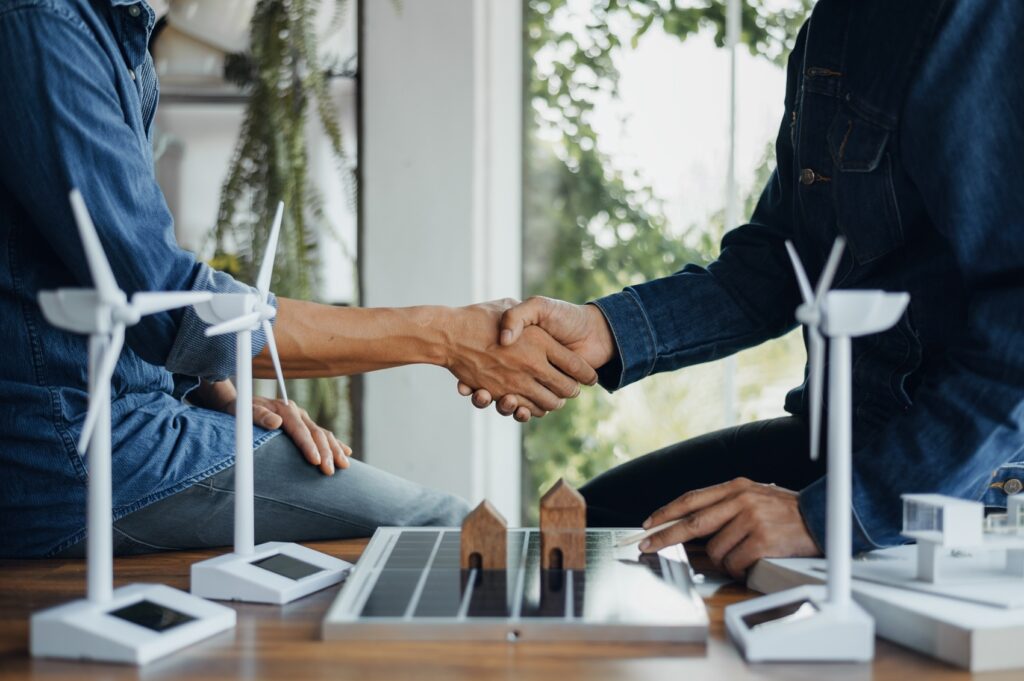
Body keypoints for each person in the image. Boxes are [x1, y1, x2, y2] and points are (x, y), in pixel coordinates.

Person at [0, 0, 595, 558]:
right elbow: (159, 300)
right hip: (69, 449)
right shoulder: (45, 23)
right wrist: (444, 336)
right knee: (445, 530)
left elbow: (116, 275)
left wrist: (224, 398)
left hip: (121, 418)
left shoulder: (109, 32)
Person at [461, 0, 1024, 579]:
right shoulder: (834, 27)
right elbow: (782, 260)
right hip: (838, 437)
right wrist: (604, 330)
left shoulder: (973, 20)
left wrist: (828, 517)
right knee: (588, 526)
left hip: (961, 476)